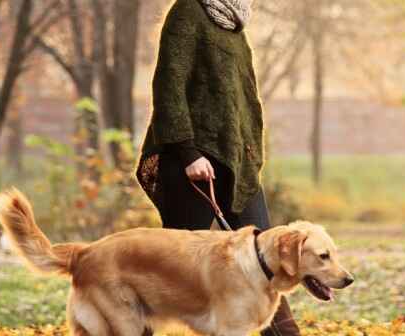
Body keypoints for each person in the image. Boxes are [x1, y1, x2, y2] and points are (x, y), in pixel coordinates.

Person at [136, 1, 300, 335]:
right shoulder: (188, 12)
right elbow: (169, 87)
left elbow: (243, 102)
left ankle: (286, 334)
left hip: (237, 165)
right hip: (193, 165)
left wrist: (250, 156)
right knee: (172, 266)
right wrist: (188, 152)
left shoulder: (236, 27)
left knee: (266, 258)